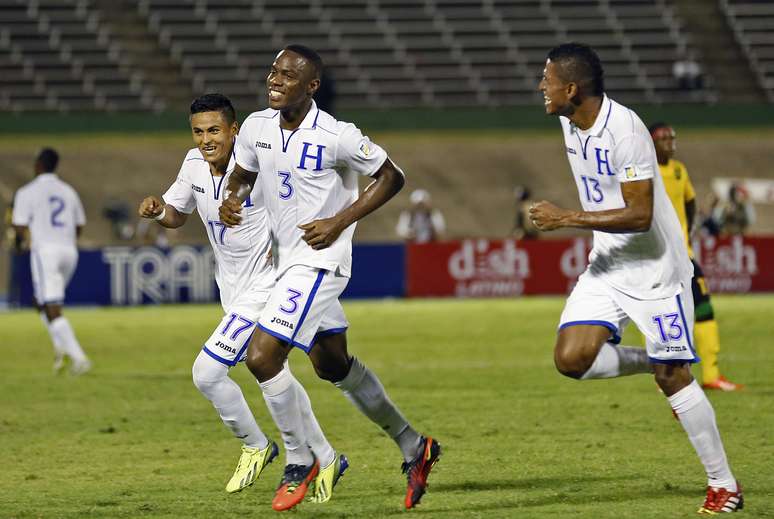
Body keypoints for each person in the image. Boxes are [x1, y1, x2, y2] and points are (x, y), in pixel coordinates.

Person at [219, 44, 441, 511]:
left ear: (311, 86)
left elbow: (391, 177)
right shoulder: (257, 127)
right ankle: (414, 446)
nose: (275, 80)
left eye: (287, 75)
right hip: (284, 266)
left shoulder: (338, 135)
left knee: (262, 357)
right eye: (273, 72)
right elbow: (241, 173)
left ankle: (300, 461)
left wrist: (339, 221)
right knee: (332, 365)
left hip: (321, 263)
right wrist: (231, 197)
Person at [531, 43, 741, 513]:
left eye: (546, 80)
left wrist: (566, 217)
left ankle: (724, 484)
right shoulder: (569, 120)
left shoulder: (624, 131)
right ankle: (658, 359)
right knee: (572, 358)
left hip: (656, 274)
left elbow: (641, 214)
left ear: (572, 88)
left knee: (675, 379)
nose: (540, 87)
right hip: (608, 265)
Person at [137, 94, 346, 502]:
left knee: (206, 372)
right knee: (274, 371)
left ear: (235, 130)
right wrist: (160, 211)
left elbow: (298, 201)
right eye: (198, 131)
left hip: (267, 285)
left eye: (214, 130)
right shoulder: (192, 164)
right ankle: (326, 454)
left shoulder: (258, 166)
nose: (205, 139)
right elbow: (178, 213)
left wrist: (288, 243)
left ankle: (258, 445)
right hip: (233, 291)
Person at [650, 122, 743, 392]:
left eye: (672, 138)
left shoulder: (679, 170)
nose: (670, 142)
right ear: (651, 143)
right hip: (658, 259)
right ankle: (667, 373)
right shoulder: (646, 172)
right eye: (664, 138)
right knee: (667, 317)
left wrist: (688, 231)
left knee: (702, 310)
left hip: (684, 257)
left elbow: (690, 201)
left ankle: (711, 375)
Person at [12, 148, 91, 375]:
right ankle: (61, 351)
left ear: (38, 165)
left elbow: (19, 225)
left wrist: (24, 241)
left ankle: (78, 357)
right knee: (43, 301)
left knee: (52, 306)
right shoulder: (69, 191)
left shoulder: (27, 191)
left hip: (45, 252)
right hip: (69, 252)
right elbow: (79, 225)